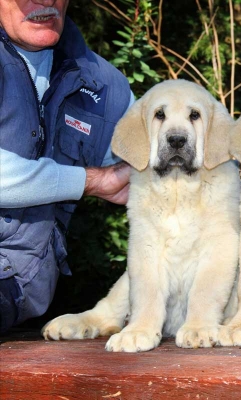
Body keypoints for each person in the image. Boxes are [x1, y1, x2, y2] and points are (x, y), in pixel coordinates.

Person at [0, 0, 133, 333]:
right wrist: (88, 181)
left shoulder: (105, 87)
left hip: (18, 296)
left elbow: (159, 164)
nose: (44, 1)